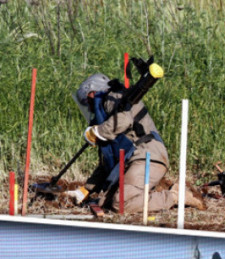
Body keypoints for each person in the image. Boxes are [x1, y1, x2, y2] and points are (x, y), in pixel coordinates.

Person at [68, 73, 205, 212]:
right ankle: (149, 193)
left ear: (92, 93)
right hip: (135, 158)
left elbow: (123, 120)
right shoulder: (107, 115)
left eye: (87, 103)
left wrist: (98, 132)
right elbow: (106, 164)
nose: (90, 109)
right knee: (105, 202)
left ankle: (174, 196)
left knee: (121, 203)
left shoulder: (113, 98)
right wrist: (86, 189)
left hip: (147, 156)